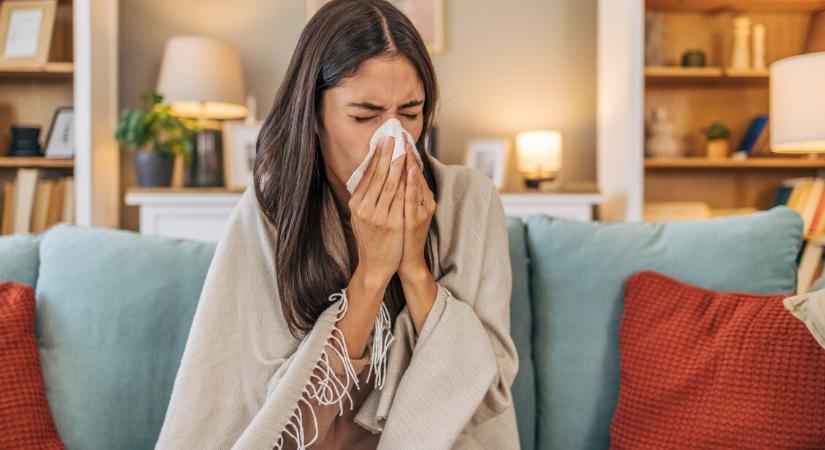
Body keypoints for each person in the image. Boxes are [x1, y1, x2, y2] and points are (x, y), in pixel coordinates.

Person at [154, 1, 520, 449]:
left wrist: (413, 268)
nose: (395, 139)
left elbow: (489, 393)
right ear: (312, 114)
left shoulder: (469, 202)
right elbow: (269, 425)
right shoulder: (272, 211)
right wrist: (370, 274)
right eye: (364, 116)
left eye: (410, 113)